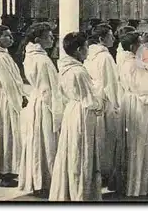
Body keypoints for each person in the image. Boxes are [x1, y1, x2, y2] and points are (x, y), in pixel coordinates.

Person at [49, 32, 103, 201]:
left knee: (72, 150)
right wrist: (100, 101)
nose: (88, 50)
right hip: (82, 113)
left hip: (71, 110)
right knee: (82, 151)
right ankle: (81, 195)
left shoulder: (64, 68)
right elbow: (90, 100)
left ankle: (70, 191)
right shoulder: (79, 71)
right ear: (79, 50)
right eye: (86, 47)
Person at [18, 22, 62, 195]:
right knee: (47, 143)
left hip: (36, 102)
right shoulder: (42, 60)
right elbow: (48, 90)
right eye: (49, 36)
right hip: (45, 105)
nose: (53, 39)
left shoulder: (30, 56)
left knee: (37, 142)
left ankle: (38, 180)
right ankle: (45, 181)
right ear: (38, 40)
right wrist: (58, 112)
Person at [119, 31, 148, 197]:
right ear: (132, 47)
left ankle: (130, 183)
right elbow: (144, 88)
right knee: (141, 143)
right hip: (140, 104)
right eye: (139, 43)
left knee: (131, 144)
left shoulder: (125, 62)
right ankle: (140, 185)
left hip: (129, 102)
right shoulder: (136, 64)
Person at [0, 25, 27, 187]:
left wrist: (22, 94)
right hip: (6, 98)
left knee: (9, 135)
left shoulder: (3, 54)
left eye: (11, 36)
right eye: (7, 36)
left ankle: (7, 171)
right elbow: (8, 82)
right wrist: (19, 99)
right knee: (4, 134)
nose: (11, 39)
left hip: (8, 96)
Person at [83, 23, 121, 190]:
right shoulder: (105, 57)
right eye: (110, 36)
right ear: (101, 39)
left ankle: (99, 172)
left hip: (95, 98)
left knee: (98, 137)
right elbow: (111, 83)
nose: (113, 38)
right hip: (105, 101)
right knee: (108, 138)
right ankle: (107, 173)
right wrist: (117, 104)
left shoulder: (89, 55)